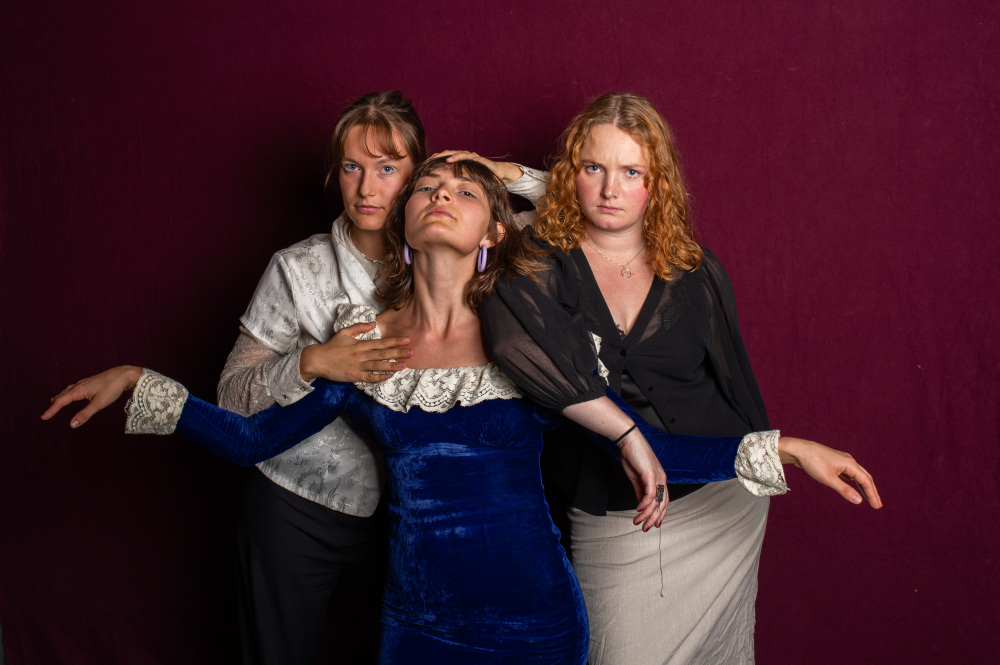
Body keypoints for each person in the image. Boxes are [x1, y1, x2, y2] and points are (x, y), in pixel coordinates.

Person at [43, 157, 866, 663]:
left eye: (464, 190)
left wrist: (784, 448)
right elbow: (252, 438)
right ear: (405, 222)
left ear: (492, 232)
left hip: (537, 621)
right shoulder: (365, 344)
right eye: (428, 186)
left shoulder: (528, 338)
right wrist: (142, 382)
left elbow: (639, 443)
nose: (440, 194)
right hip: (417, 627)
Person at [440, 93, 880, 665]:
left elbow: (735, 387)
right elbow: (530, 359)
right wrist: (508, 176)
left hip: (722, 494)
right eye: (592, 168)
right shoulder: (532, 259)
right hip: (623, 510)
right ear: (570, 174)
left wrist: (768, 453)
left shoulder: (697, 269)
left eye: (632, 173)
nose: (610, 190)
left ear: (658, 184)